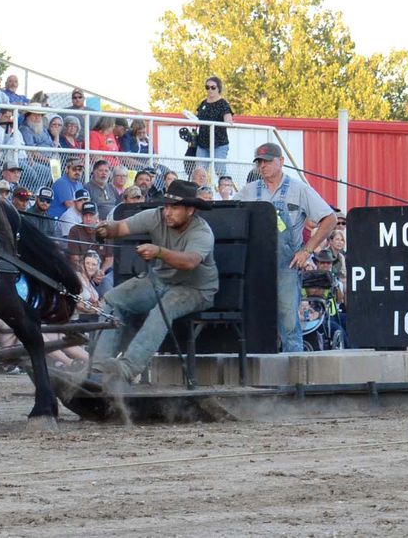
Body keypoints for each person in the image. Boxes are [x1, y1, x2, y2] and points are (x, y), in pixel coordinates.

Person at [88, 180, 218, 387]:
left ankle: (127, 369)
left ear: (190, 210)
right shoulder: (156, 216)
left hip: (195, 289)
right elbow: (121, 227)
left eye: (174, 208)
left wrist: (159, 252)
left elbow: (189, 262)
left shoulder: (201, 232)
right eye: (166, 206)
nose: (168, 212)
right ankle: (98, 368)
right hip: (160, 280)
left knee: (164, 308)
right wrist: (106, 229)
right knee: (113, 299)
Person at [234, 143, 336, 352]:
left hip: (286, 265)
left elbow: (330, 218)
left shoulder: (299, 190)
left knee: (289, 321)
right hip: (255, 266)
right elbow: (230, 216)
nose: (263, 166)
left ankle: (293, 372)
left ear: (281, 161)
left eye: (268, 161)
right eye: (259, 162)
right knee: (256, 320)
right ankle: (256, 367)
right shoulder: (248, 191)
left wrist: (307, 251)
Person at [195, 76, 233, 175]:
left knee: (220, 171)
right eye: (207, 87)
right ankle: (201, 190)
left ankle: (225, 189)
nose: (210, 90)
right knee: (200, 172)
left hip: (219, 143)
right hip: (202, 144)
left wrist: (225, 122)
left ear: (218, 88)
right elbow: (197, 119)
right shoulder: (203, 103)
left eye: (213, 87)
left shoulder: (223, 104)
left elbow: (229, 121)